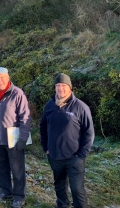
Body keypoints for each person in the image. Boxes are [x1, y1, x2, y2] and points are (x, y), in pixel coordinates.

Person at [40, 73, 94, 208]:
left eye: (63, 86)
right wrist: (46, 147)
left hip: (74, 157)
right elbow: (42, 127)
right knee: (59, 186)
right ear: (54, 88)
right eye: (58, 86)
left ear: (70, 87)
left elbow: (89, 132)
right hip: (54, 156)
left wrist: (82, 154)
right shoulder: (49, 106)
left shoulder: (80, 107)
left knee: (77, 189)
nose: (60, 89)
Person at [0, 67, 31, 208]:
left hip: (14, 139)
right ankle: (5, 190)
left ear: (7, 77)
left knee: (17, 169)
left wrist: (23, 139)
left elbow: (25, 117)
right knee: (1, 167)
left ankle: (19, 196)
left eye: (2, 77)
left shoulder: (17, 93)